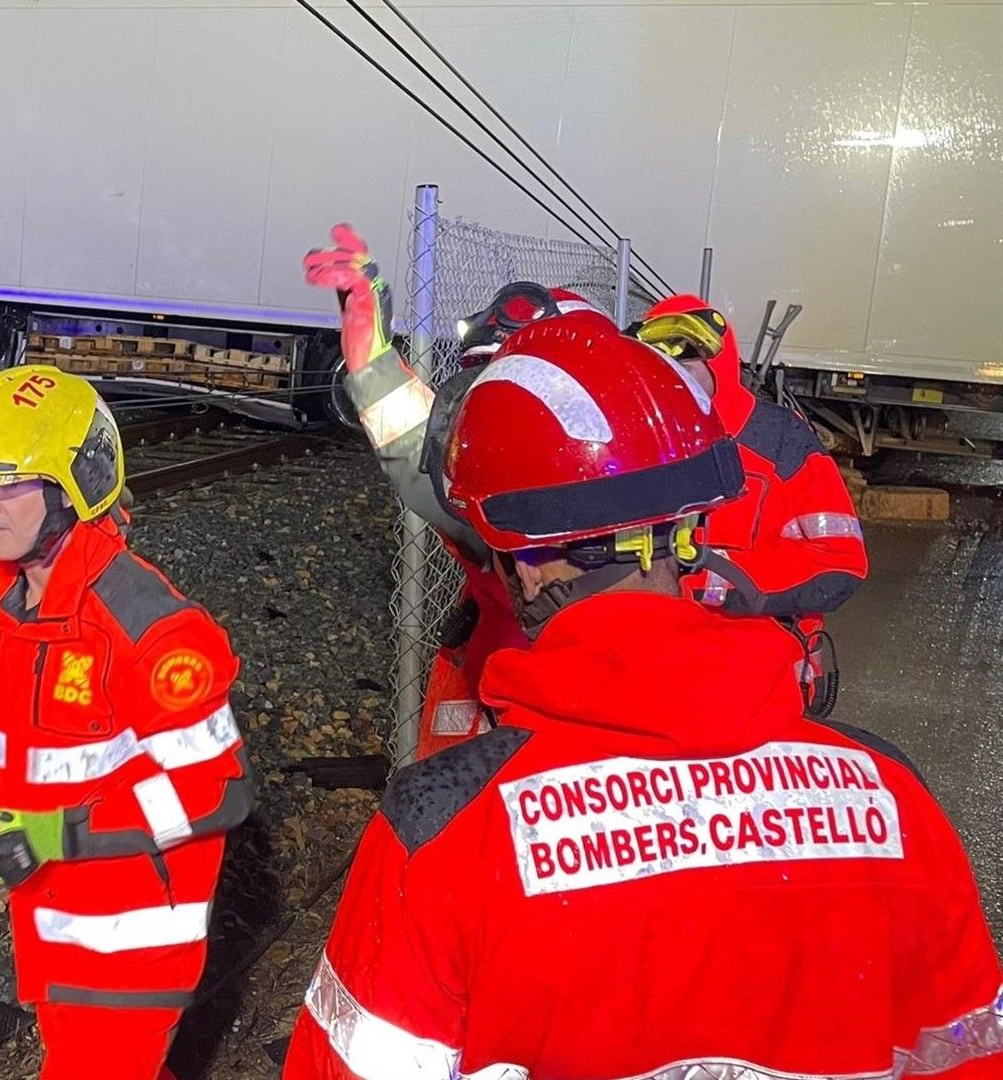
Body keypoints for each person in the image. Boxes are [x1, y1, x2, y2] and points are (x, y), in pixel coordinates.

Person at [284, 314, 1003, 1079]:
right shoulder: (889, 795)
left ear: (525, 567)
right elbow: (964, 1052)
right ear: (691, 527)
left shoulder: (448, 828)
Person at [0, 365, 252, 1080]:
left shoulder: (147, 629)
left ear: (75, 487)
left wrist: (49, 834)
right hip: (53, 923)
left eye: (6, 483)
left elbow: (216, 792)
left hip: (128, 946)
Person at [303, 226, 602, 758]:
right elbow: (415, 441)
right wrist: (370, 357)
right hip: (521, 708)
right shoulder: (662, 486)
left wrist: (370, 356)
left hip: (543, 722)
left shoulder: (500, 497)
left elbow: (415, 447)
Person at [634, 295, 869, 714]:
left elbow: (841, 563)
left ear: (718, 367)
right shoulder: (633, 440)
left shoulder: (779, 441)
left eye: (684, 368)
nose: (670, 381)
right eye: (658, 368)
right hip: (649, 675)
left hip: (760, 684)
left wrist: (708, 576)